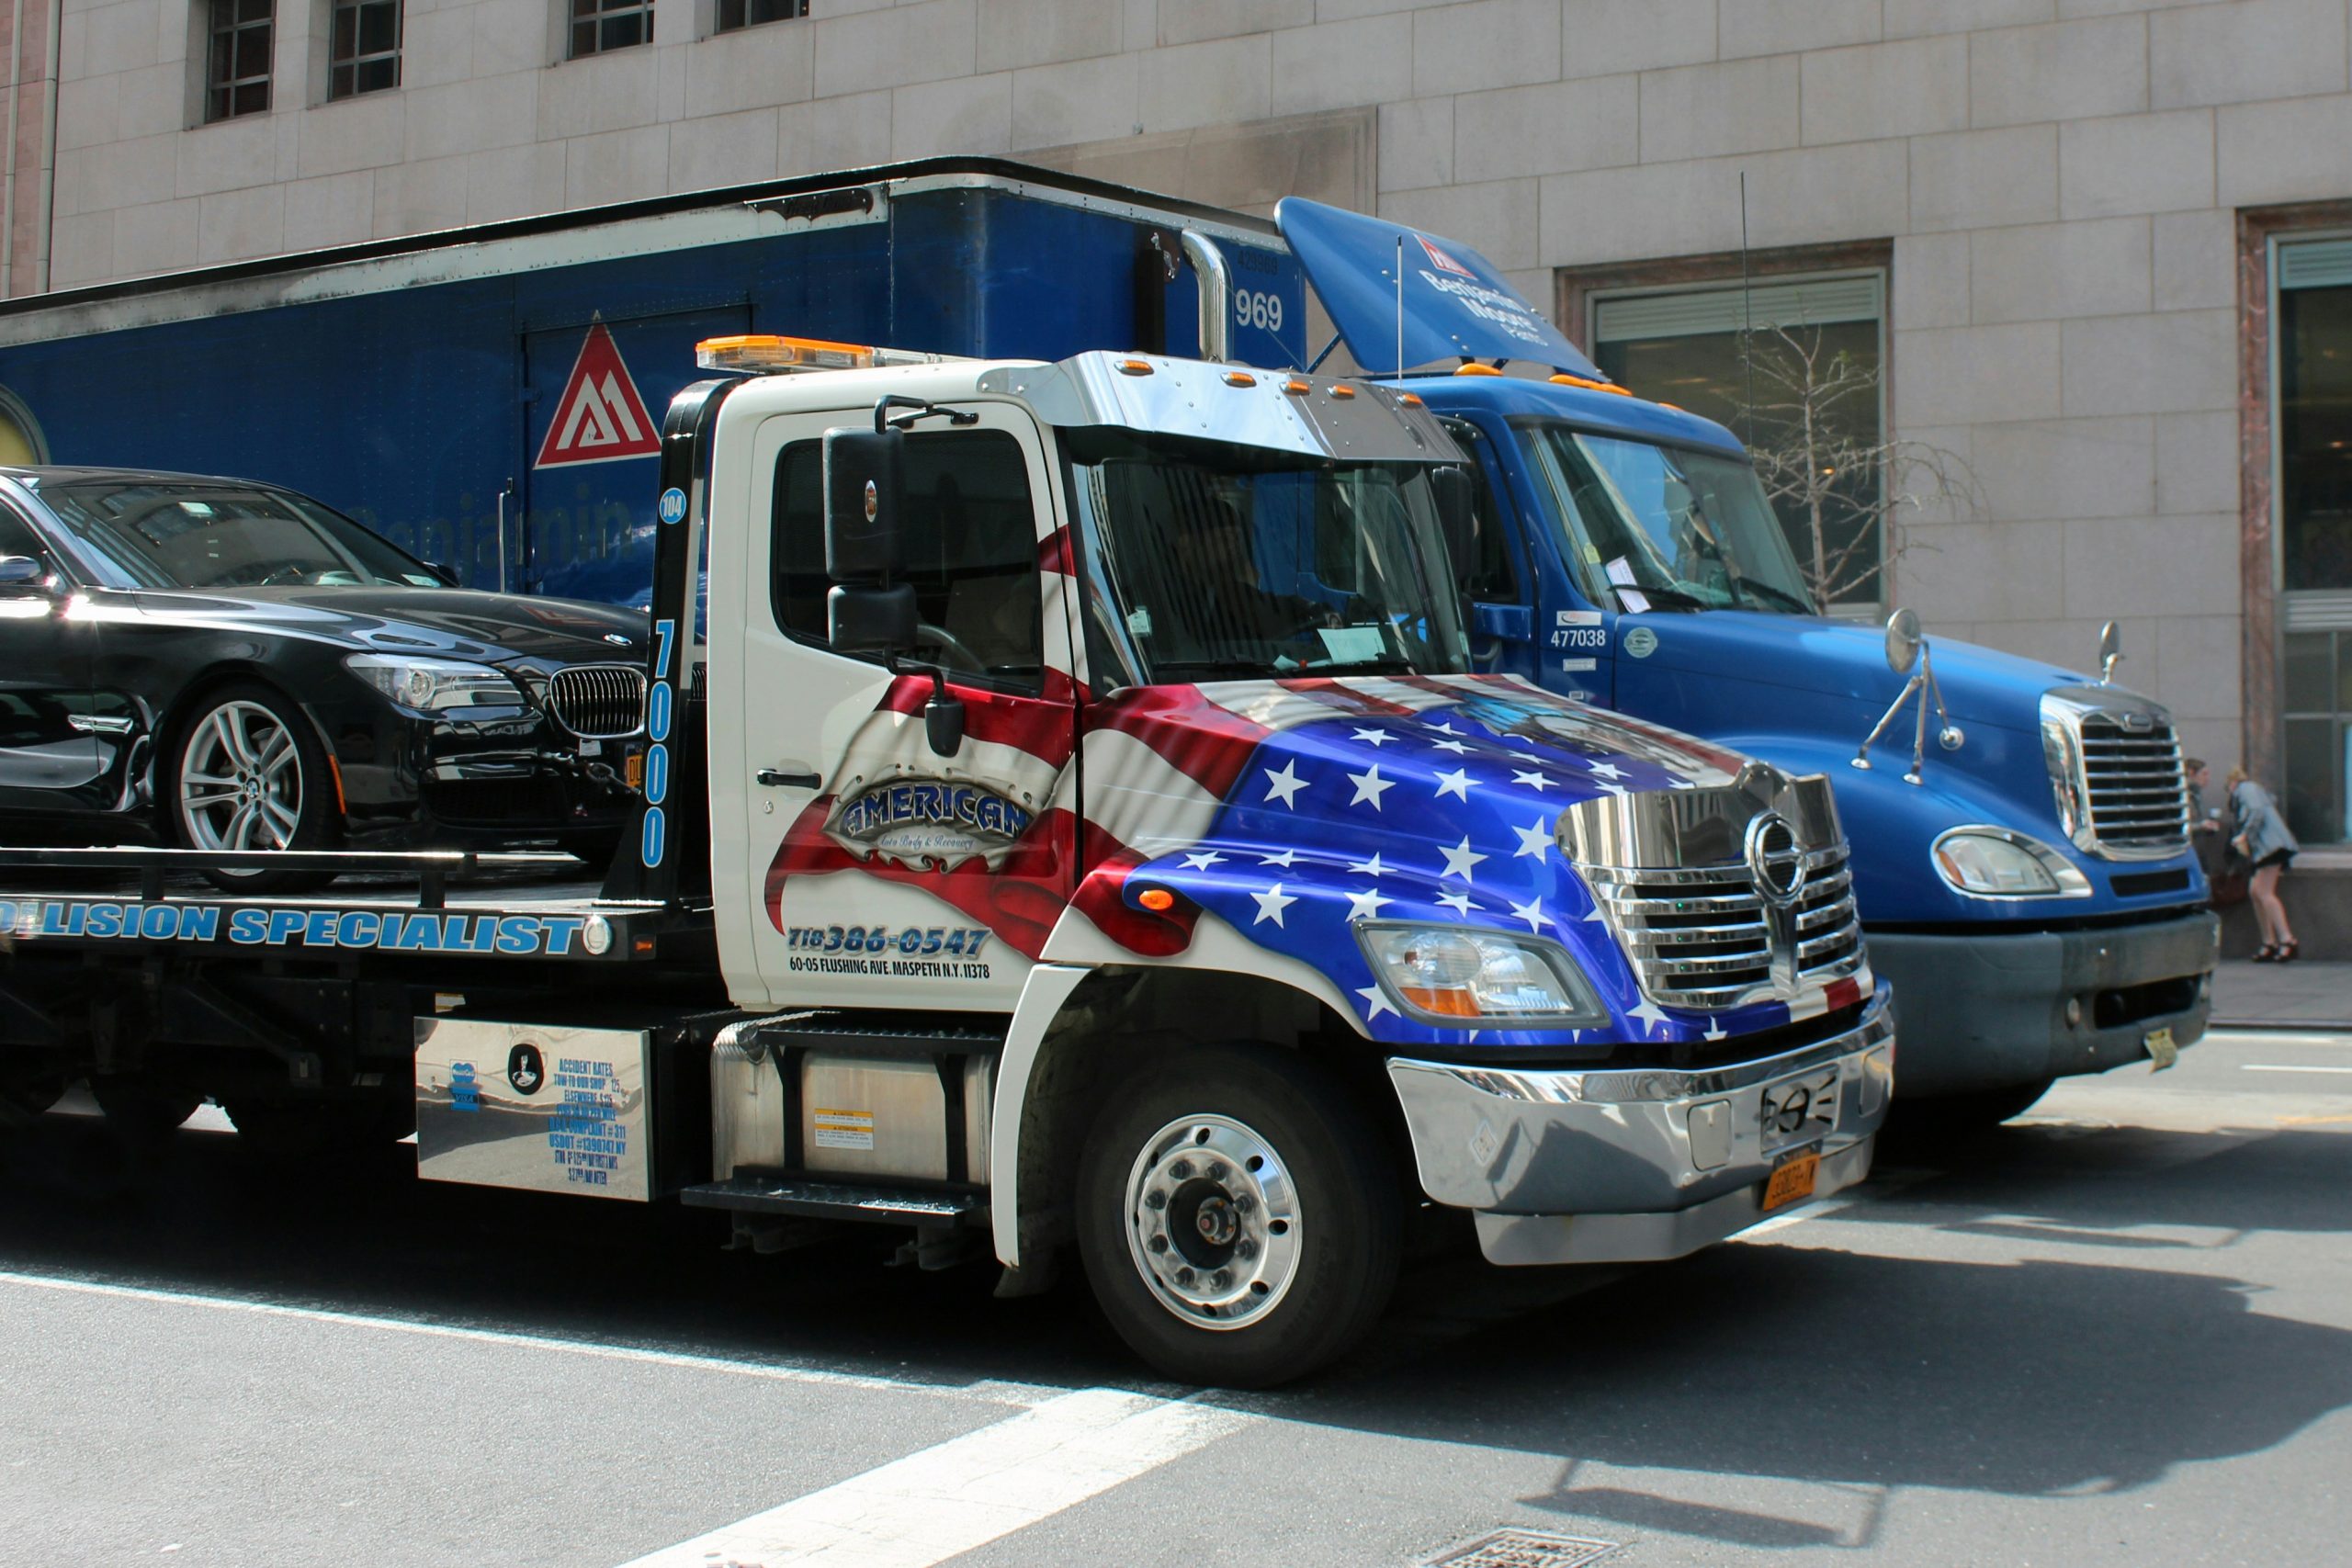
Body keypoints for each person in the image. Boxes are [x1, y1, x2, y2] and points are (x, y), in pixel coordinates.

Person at [2226, 765, 2300, 962]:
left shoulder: (2246, 788)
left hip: (2272, 847)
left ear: (2232, 783)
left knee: (2264, 892)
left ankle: (2287, 940)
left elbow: (2257, 813)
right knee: (2255, 891)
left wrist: (2243, 835)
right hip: (2268, 849)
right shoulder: (2253, 790)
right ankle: (2269, 941)